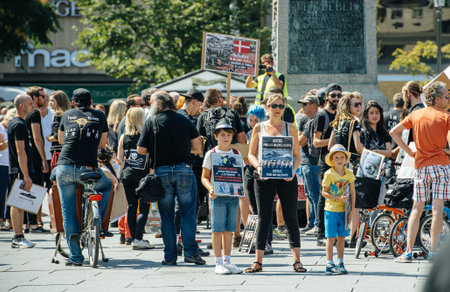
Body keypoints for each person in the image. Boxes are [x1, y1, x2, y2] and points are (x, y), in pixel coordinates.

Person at [137, 91, 205, 266]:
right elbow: (198, 148)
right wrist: (182, 149)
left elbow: (141, 150)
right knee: (188, 214)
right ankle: (190, 253)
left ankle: (170, 256)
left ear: (158, 105)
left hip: (162, 172)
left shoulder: (151, 121)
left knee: (166, 216)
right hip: (184, 170)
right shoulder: (184, 120)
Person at [390, 81, 450, 262]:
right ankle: (432, 251)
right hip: (441, 165)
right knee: (438, 210)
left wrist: (409, 151)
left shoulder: (416, 115)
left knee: (417, 209)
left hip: (421, 166)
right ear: (437, 99)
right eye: (446, 95)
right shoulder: (446, 117)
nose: (448, 98)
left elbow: (394, 132)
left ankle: (408, 251)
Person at [246, 93, 305, 273]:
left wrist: (293, 171)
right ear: (267, 108)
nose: (278, 109)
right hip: (264, 177)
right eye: (274, 106)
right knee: (264, 218)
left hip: (286, 176)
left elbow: (297, 155)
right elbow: (251, 154)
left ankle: (297, 261)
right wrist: (258, 167)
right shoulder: (259, 128)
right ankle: (258, 262)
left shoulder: (290, 128)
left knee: (291, 218)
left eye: (281, 106)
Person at [53, 88, 112, 266]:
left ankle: (76, 257)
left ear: (73, 103)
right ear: (91, 102)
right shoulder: (100, 115)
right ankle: (97, 222)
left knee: (68, 211)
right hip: (88, 169)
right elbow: (102, 144)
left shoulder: (66, 115)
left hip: (65, 167)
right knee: (106, 185)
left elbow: (61, 140)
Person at [201, 120, 245, 275]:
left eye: (228, 135)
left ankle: (227, 260)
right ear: (216, 136)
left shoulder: (236, 154)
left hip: (232, 196)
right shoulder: (211, 154)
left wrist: (241, 190)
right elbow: (204, 177)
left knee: (229, 229)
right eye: (222, 135)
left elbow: (239, 176)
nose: (226, 138)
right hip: (217, 196)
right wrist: (211, 188)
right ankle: (218, 262)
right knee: (217, 229)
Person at [328, 92, 365, 246]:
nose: (359, 107)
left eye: (360, 104)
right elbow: (358, 147)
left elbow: (330, 147)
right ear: (348, 107)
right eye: (356, 104)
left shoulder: (337, 122)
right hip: (353, 165)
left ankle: (337, 237)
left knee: (339, 201)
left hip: (338, 167)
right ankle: (352, 238)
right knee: (354, 203)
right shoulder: (354, 123)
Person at [117, 107, 153, 249]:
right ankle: (139, 237)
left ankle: (131, 238)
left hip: (127, 175)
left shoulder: (123, 136)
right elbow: (150, 158)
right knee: (144, 208)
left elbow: (120, 160)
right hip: (143, 177)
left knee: (131, 207)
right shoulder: (146, 136)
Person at [312, 83, 342, 246]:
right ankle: (320, 234)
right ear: (327, 97)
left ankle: (335, 233)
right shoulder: (321, 115)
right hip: (325, 162)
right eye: (333, 95)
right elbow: (316, 142)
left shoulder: (341, 115)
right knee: (324, 197)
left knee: (338, 197)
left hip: (340, 163)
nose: (336, 98)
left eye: (339, 95)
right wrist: (333, 141)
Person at [321, 144, 356, 275]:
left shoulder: (349, 173)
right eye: (336, 157)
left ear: (346, 159)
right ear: (332, 159)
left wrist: (352, 209)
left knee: (342, 237)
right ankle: (329, 263)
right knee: (330, 238)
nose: (340, 159)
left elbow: (353, 192)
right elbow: (324, 192)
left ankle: (340, 262)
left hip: (344, 211)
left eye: (342, 157)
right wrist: (337, 198)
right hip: (331, 210)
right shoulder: (328, 174)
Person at [7, 94, 36, 248]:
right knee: (17, 203)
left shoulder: (21, 123)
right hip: (19, 169)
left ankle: (19, 236)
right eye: (30, 103)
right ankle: (17, 237)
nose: (33, 105)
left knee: (20, 203)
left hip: (20, 169)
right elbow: (20, 151)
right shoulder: (18, 124)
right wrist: (25, 175)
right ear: (21, 105)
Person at [25, 87, 50, 232]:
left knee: (31, 187)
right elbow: (37, 137)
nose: (44, 98)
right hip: (34, 155)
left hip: (27, 154)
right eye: (41, 96)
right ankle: (33, 223)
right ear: (34, 98)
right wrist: (43, 158)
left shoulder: (26, 113)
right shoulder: (34, 114)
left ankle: (30, 222)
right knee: (35, 187)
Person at [297, 94, 321, 235]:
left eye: (305, 104)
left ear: (313, 105)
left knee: (314, 195)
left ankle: (316, 224)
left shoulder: (313, 120)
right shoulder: (309, 119)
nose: (302, 107)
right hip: (307, 161)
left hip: (312, 162)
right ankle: (312, 223)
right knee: (310, 195)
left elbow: (301, 141)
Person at [197, 88, 246, 153]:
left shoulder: (203, 116)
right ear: (219, 99)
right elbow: (241, 137)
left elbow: (198, 140)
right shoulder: (232, 113)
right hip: (231, 153)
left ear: (208, 102)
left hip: (212, 154)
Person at [47, 91, 71, 171]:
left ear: (59, 101)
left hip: (58, 152)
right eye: (50, 100)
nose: (50, 103)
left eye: (53, 100)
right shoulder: (69, 114)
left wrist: (49, 138)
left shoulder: (58, 115)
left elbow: (58, 136)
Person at [0, 109, 15, 229]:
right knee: (2, 193)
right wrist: (10, 138)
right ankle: (2, 218)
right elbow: (0, 147)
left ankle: (7, 219)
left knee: (10, 192)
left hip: (10, 163)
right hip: (2, 163)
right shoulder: (1, 127)